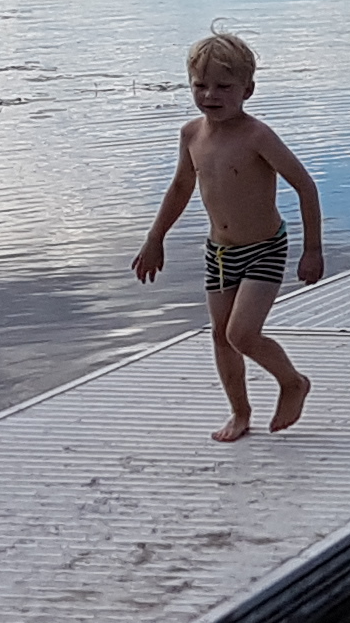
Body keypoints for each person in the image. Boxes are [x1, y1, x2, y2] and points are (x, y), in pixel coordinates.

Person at [131, 29, 323, 439]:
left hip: (264, 249)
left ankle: (292, 382)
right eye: (200, 85)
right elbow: (180, 187)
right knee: (221, 336)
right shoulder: (191, 135)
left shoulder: (257, 136)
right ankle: (240, 412)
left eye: (223, 86)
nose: (210, 95)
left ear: (247, 90)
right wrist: (155, 237)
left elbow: (306, 187)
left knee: (242, 334)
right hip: (220, 253)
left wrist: (312, 250)